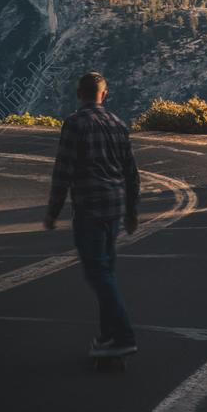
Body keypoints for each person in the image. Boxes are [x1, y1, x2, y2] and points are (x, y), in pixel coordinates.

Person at [43, 71, 140, 357]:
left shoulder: (75, 125)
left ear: (78, 94)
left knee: (98, 273)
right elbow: (132, 174)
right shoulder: (118, 124)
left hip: (89, 209)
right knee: (106, 271)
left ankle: (123, 336)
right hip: (114, 209)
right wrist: (132, 212)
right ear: (104, 94)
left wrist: (52, 211)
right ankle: (108, 336)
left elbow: (63, 171)